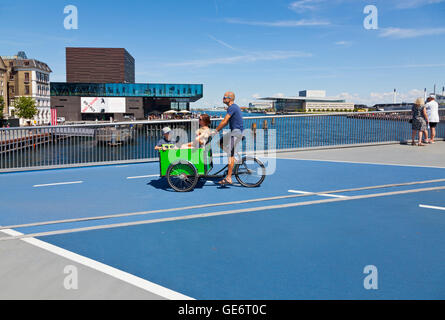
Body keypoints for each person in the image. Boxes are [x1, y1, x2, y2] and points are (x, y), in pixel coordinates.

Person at [214, 91, 244, 185]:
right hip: (234, 132)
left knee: (230, 155)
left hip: (236, 133)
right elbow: (226, 122)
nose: (223, 98)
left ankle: (229, 178)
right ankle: (233, 160)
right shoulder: (231, 108)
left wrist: (215, 131)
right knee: (220, 143)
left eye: (224, 97)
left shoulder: (232, 107)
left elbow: (224, 121)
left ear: (229, 99)